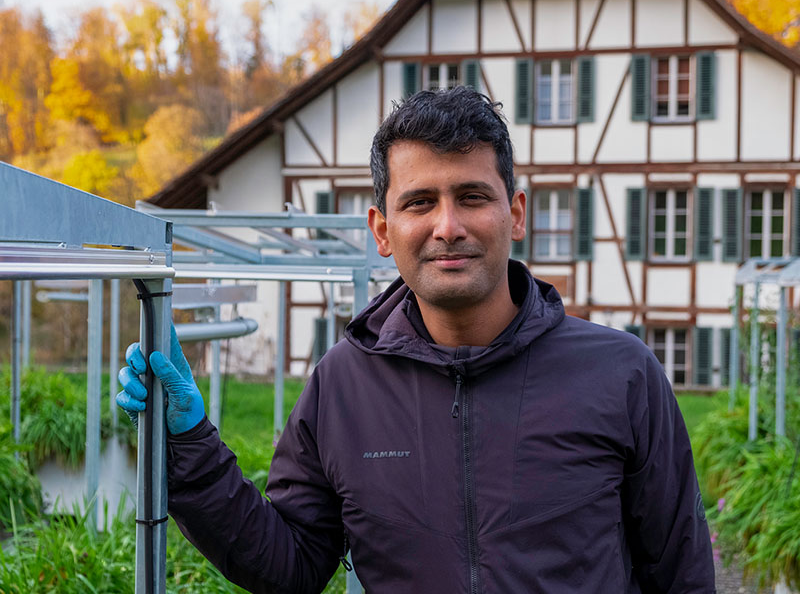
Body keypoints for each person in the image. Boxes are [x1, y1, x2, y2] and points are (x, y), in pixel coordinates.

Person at [117, 86, 715, 593]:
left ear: (517, 212)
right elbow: (289, 564)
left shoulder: (621, 374)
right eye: (420, 202)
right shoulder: (342, 385)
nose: (447, 227)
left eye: (473, 197)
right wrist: (188, 440)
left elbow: (681, 572)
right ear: (383, 229)